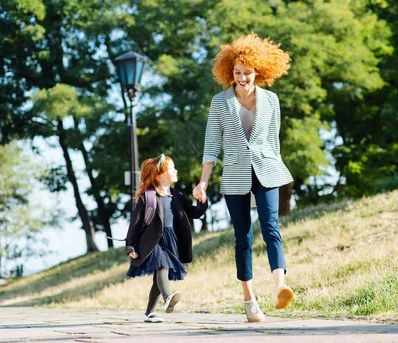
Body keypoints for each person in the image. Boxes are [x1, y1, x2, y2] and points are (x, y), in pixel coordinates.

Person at [193, 33, 294, 323]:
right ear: (229, 72)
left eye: (247, 73)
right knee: (243, 237)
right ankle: (249, 299)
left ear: (258, 72)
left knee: (271, 227)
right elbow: (212, 144)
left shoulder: (271, 101)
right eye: (237, 73)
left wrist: (277, 170)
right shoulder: (220, 102)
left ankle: (280, 287)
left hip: (266, 169)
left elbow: (273, 141)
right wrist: (203, 181)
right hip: (235, 173)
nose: (242, 78)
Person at [126, 154, 207, 322]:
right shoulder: (147, 197)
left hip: (172, 240)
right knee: (161, 265)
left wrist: (201, 201)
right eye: (171, 169)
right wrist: (130, 246)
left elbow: (194, 213)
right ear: (159, 175)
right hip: (152, 241)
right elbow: (135, 223)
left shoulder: (177, 196)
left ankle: (149, 313)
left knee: (159, 277)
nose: (175, 170)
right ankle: (168, 298)